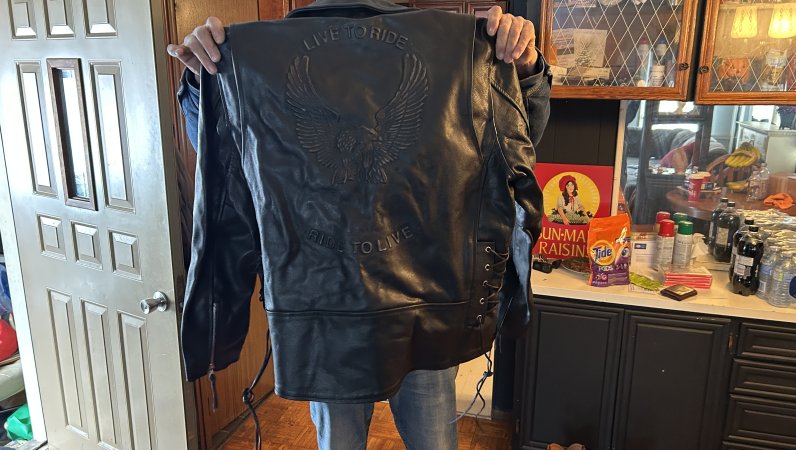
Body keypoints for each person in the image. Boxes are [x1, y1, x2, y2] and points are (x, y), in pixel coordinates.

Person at [168, 3, 550, 449]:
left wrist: (522, 67)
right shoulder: (259, 54)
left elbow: (514, 142)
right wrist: (205, 80)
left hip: (392, 304)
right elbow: (224, 151)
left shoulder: (458, 47)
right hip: (372, 304)